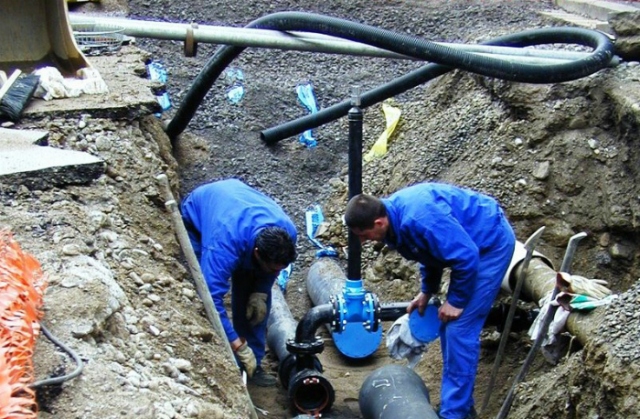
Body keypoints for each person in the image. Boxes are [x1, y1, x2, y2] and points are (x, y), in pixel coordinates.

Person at [344, 182, 515, 419]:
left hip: (488, 245)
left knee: (459, 330)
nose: (363, 241)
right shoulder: (396, 223)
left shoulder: (419, 218)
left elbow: (466, 256)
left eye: (364, 235)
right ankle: (461, 406)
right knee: (449, 327)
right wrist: (427, 291)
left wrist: (456, 301)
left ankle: (455, 414)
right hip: (470, 246)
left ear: (378, 223)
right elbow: (428, 252)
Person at [180, 179, 297, 387]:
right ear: (257, 253)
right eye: (272, 269)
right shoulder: (223, 246)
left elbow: (272, 268)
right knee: (202, 296)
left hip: (238, 214)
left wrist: (260, 292)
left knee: (254, 308)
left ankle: (254, 365)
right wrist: (236, 344)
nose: (275, 273)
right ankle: (229, 365)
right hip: (198, 216)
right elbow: (210, 299)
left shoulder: (287, 233)